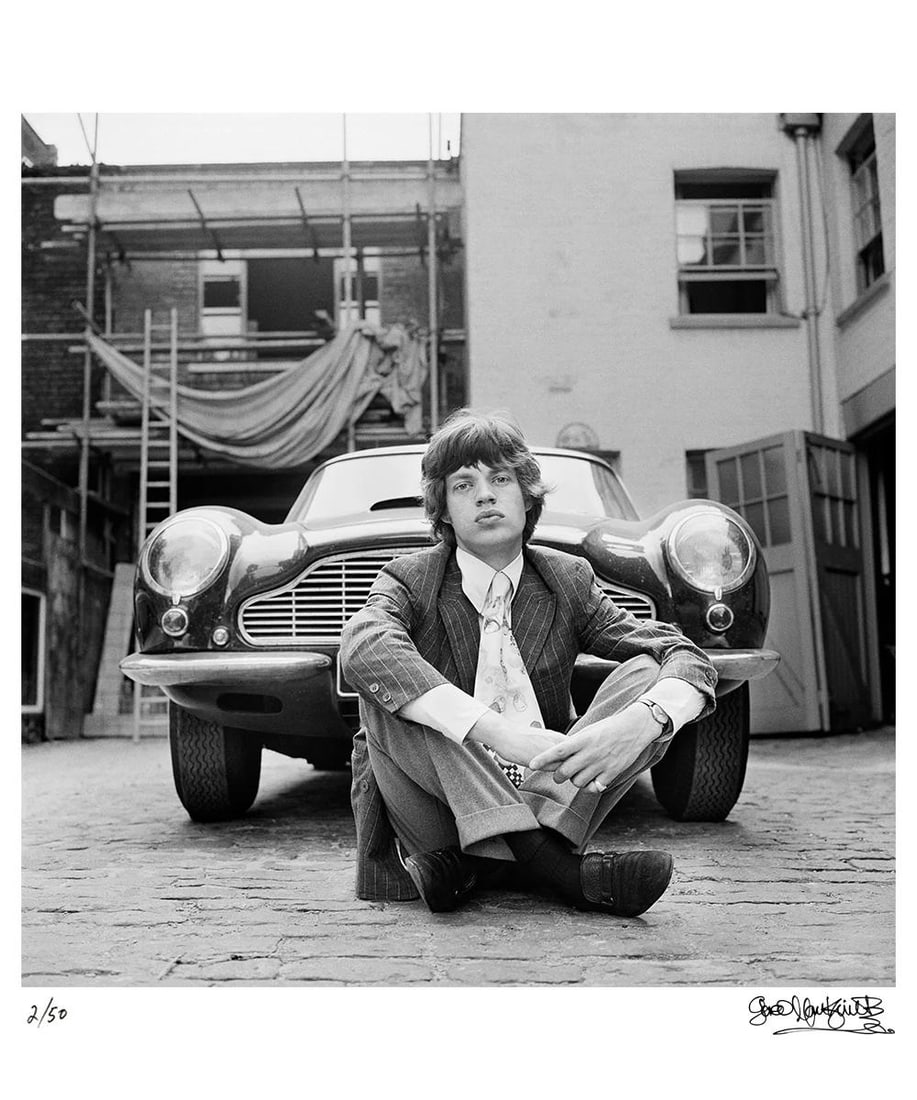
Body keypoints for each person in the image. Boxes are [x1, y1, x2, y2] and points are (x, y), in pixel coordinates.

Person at [340, 409, 717, 917]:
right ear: (444, 511)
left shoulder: (566, 580)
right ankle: (557, 869)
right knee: (387, 688)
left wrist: (639, 722)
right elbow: (363, 645)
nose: (486, 494)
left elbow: (682, 654)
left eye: (500, 478)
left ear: (526, 498)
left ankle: (480, 866)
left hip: (553, 795)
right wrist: (498, 733)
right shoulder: (409, 579)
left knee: (648, 674)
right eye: (463, 485)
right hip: (439, 809)